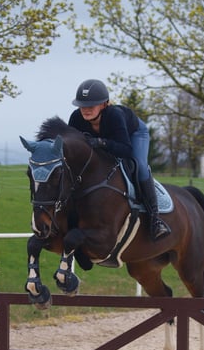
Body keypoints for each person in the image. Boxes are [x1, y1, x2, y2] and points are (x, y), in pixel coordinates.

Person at [68, 78, 171, 240]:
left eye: (91, 105)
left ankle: (155, 220)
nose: (85, 110)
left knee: (140, 166)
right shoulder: (75, 118)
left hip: (134, 135)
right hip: (114, 140)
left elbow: (125, 149)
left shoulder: (114, 115)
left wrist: (102, 142)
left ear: (104, 104)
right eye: (82, 105)